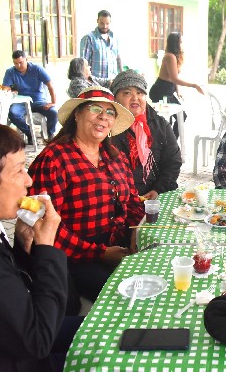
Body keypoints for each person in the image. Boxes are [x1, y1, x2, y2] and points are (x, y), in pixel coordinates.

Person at [0, 120, 81, 371]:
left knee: (113, 329)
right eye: (19, 170)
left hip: (15, 338)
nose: (29, 181)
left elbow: (8, 288)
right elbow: (38, 340)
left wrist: (24, 246)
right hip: (8, 359)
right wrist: (47, 248)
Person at [28, 86, 144, 304]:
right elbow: (44, 225)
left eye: (110, 113)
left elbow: (132, 201)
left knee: (156, 274)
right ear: (77, 114)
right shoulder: (54, 159)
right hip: (74, 256)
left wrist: (136, 230)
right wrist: (100, 253)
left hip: (116, 243)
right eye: (95, 109)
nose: (103, 117)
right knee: (125, 295)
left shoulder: (115, 157)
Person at [111, 70, 181, 199]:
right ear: (115, 98)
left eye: (140, 93)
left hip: (157, 195)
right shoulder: (107, 127)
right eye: (127, 93)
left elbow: (173, 162)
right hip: (121, 198)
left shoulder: (160, 125)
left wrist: (158, 189)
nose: (135, 98)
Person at [149, 32, 204, 138]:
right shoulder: (169, 56)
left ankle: (171, 141)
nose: (182, 45)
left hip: (168, 91)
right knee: (169, 119)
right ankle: (169, 142)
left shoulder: (173, 56)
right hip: (160, 91)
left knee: (181, 116)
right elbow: (174, 78)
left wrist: (178, 91)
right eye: (181, 42)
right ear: (175, 43)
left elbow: (173, 78)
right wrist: (194, 85)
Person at [3, 50, 58, 142]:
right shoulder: (10, 72)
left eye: (21, 62)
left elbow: (50, 85)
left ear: (26, 59)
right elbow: (5, 88)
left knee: (53, 112)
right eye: (16, 63)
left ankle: (49, 134)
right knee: (12, 113)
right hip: (20, 102)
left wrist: (53, 102)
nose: (18, 65)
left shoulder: (37, 69)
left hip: (38, 101)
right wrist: (10, 90)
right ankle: (29, 133)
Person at [80, 10, 121, 79]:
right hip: (95, 82)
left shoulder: (114, 38)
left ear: (110, 22)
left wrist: (122, 75)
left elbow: (118, 58)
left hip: (113, 81)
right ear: (97, 21)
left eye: (107, 23)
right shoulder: (89, 38)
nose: (104, 26)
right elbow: (83, 63)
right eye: (102, 23)